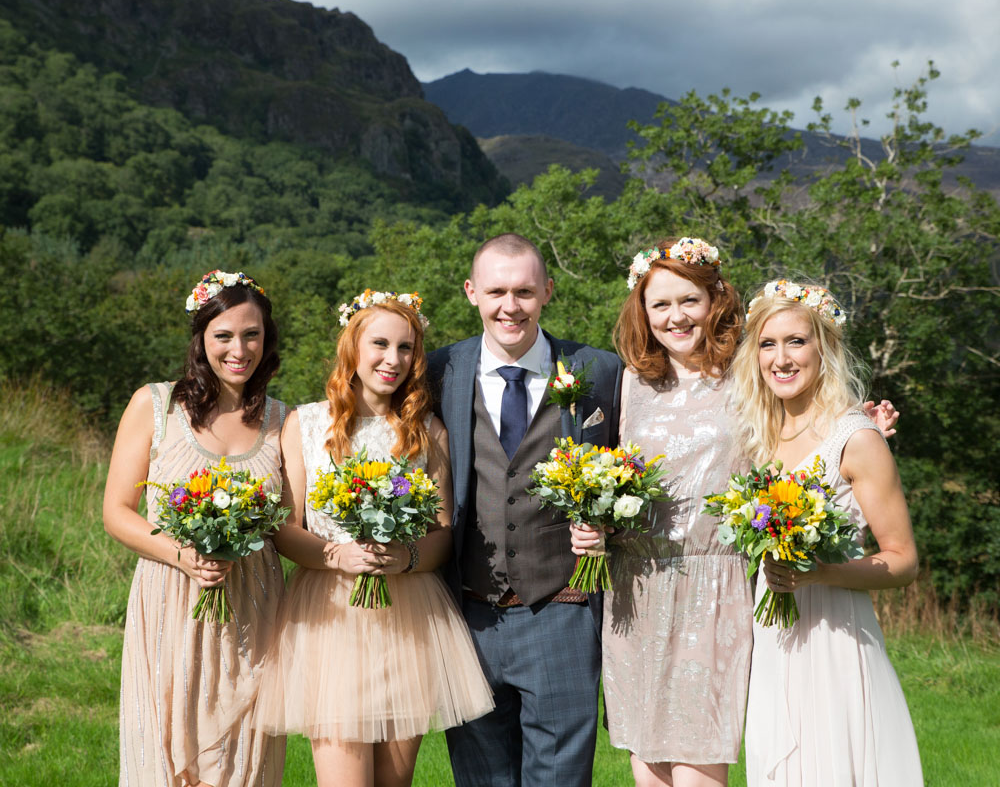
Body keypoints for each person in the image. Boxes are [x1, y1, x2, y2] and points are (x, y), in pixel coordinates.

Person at [569, 241, 899, 787]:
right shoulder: (629, 382)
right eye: (660, 305)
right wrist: (596, 524)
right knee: (648, 768)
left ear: (715, 300)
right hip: (636, 589)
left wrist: (862, 431)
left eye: (689, 300)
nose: (676, 317)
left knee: (698, 769)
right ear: (642, 312)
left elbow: (803, 435)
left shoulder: (745, 379)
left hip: (714, 590)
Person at [254, 290, 493, 787]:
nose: (393, 359)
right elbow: (284, 528)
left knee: (393, 782)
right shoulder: (307, 424)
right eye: (380, 344)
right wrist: (337, 555)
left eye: (407, 348)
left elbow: (443, 533)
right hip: (331, 617)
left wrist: (404, 557)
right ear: (352, 348)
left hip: (409, 619)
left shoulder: (427, 431)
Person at [427, 233, 624, 787]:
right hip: (468, 613)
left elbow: (648, 457)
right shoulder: (439, 370)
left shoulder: (599, 372)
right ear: (471, 292)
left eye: (524, 291)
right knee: (480, 776)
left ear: (547, 292)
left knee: (560, 776)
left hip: (563, 608)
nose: (509, 306)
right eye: (495, 291)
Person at [732, 278, 923, 786]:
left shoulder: (856, 439)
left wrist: (821, 573)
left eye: (797, 341)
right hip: (774, 635)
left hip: (835, 636)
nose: (781, 358)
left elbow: (903, 560)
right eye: (768, 344)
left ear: (825, 347)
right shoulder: (758, 439)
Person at [103, 270, 287, 787]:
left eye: (251, 335)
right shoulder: (155, 405)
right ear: (201, 338)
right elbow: (117, 509)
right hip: (170, 600)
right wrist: (182, 554)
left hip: (254, 603)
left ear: (266, 341)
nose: (239, 349)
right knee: (166, 750)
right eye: (223, 335)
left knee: (242, 758)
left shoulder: (282, 419)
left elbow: (289, 523)